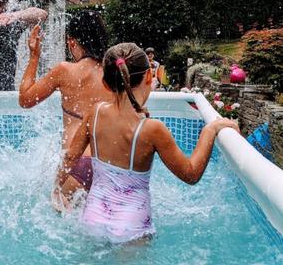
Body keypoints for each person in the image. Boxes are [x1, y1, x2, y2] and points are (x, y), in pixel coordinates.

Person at [55, 42, 239, 242]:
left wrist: (56, 188)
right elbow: (191, 174)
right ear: (149, 77)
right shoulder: (152, 129)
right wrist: (209, 130)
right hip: (132, 227)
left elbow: (71, 157)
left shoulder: (95, 113)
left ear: (106, 84)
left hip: (92, 219)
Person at [19, 10, 113, 198]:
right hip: (111, 163)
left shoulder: (65, 70)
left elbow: (25, 99)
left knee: (60, 215)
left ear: (72, 42)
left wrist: (34, 57)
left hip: (77, 162)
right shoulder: (115, 74)